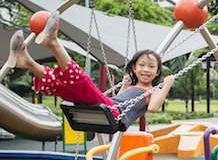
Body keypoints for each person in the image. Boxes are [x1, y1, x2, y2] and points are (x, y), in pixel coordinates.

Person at [7, 11, 174, 131]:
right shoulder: (133, 87)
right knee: (64, 87)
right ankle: (28, 62)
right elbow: (117, 99)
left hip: (113, 113)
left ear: (158, 71)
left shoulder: (152, 91)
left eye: (151, 67)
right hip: (110, 107)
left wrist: (166, 85)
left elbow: (152, 108)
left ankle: (53, 43)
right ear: (134, 68)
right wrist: (126, 85)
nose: (146, 69)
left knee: (83, 82)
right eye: (141, 65)